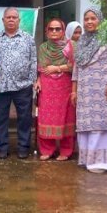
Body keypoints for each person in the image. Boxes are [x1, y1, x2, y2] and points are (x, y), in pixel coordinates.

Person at [71, 6, 107, 174]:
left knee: (102, 125)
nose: (89, 22)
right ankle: (88, 160)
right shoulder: (82, 42)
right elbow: (76, 69)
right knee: (87, 125)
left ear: (100, 20)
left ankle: (104, 162)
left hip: (103, 90)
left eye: (93, 18)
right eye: (86, 19)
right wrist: (74, 90)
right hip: (85, 93)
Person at [0, 7, 37, 159]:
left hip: (23, 86)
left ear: (19, 20)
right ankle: (2, 148)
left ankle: (24, 147)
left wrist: (32, 81)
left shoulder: (28, 38)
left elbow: (33, 61)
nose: (11, 20)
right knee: (1, 118)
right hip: (1, 86)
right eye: (8, 17)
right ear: (3, 20)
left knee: (25, 118)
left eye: (14, 17)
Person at [35, 18, 75, 161]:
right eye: (51, 29)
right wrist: (38, 80)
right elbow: (40, 68)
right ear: (46, 31)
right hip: (47, 86)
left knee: (66, 116)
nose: (54, 31)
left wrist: (57, 68)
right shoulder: (43, 48)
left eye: (58, 29)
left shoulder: (71, 46)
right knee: (46, 117)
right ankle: (47, 149)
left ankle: (66, 150)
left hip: (65, 86)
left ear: (63, 31)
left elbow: (75, 66)